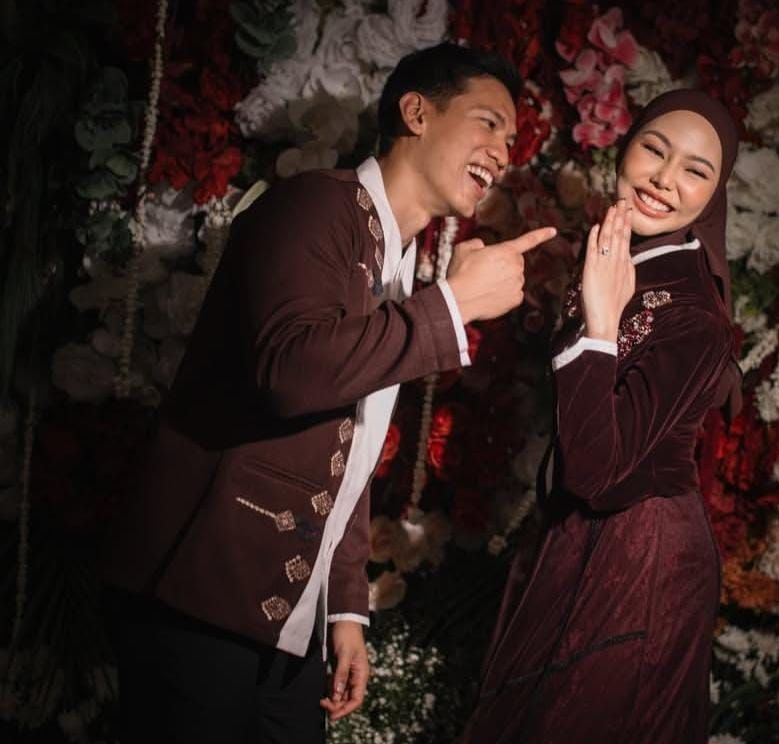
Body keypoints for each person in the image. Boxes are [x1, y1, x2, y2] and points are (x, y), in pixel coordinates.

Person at [99, 42, 556, 744]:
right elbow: (291, 373)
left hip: (289, 620)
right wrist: (453, 305)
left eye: (512, 138)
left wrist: (344, 607)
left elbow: (350, 453)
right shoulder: (314, 205)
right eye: (489, 122)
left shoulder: (398, 258)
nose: (503, 151)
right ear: (416, 113)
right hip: (200, 593)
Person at [462, 89, 742, 744]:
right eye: (654, 149)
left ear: (714, 194)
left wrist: (600, 325)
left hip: (640, 551)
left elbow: (598, 473)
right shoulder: (620, 255)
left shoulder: (695, 316)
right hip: (583, 532)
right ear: (625, 149)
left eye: (695, 170)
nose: (664, 179)